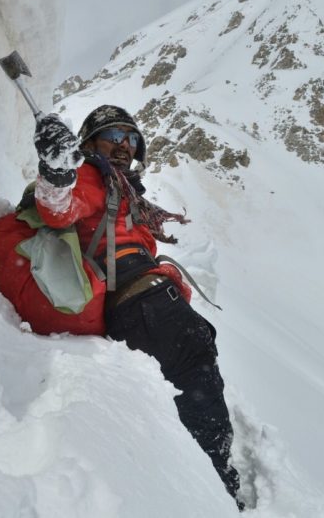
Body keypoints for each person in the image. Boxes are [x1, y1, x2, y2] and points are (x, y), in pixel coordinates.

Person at [33, 104, 243, 509]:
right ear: (90, 143)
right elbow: (59, 208)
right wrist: (57, 172)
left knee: (185, 391)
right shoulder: (90, 176)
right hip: (145, 303)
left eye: (131, 139)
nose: (124, 145)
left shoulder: (126, 194)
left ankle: (202, 484)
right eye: (113, 136)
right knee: (198, 382)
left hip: (139, 307)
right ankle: (221, 489)